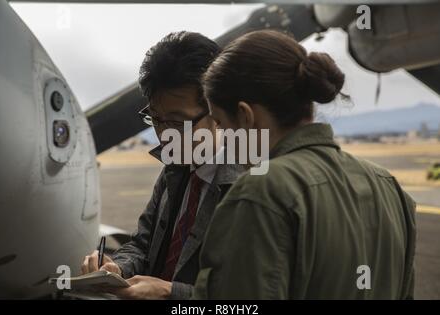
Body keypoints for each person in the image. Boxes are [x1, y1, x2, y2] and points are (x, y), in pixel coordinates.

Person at [192, 30, 416, 299]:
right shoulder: (388, 186)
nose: (224, 142)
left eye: (219, 123)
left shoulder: (261, 190)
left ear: (245, 115)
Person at [81, 31, 243, 300]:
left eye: (178, 122)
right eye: (155, 119)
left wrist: (171, 294)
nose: (164, 135)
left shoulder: (250, 186)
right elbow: (144, 244)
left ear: (218, 111)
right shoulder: (174, 169)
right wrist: (116, 267)